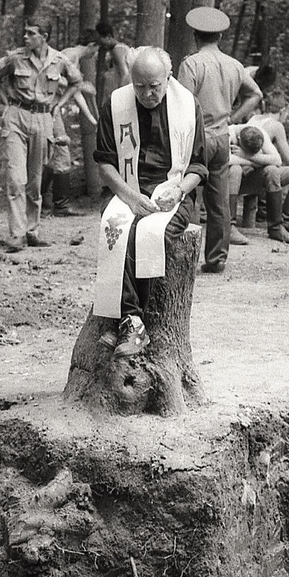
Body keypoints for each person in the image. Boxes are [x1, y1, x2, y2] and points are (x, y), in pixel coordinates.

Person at [92, 46, 207, 358]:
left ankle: (128, 320)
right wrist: (129, 196)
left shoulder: (187, 105)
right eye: (139, 86)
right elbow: (104, 162)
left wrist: (180, 189)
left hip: (172, 189)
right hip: (128, 189)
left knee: (150, 233)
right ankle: (130, 321)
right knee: (117, 229)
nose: (146, 94)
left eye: (154, 86)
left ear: (167, 78)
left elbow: (199, 165)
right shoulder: (115, 104)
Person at [178, 6, 262, 273]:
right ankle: (217, 259)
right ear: (221, 37)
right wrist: (235, 117)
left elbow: (182, 104)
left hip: (196, 137)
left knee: (186, 195)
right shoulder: (234, 65)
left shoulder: (191, 64)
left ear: (195, 35)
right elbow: (255, 94)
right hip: (222, 137)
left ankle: (184, 256)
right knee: (219, 201)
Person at [0, 16, 82, 252]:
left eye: (31, 33)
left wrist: (59, 104)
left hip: (43, 119)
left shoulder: (58, 60)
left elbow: (76, 81)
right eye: (26, 33)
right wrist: (5, 101)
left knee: (34, 180)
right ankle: (16, 235)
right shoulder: (16, 58)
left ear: (44, 37)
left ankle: (32, 231)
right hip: (17, 118)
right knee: (15, 178)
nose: (26, 37)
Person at [42, 30, 99, 217]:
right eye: (96, 50)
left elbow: (76, 93)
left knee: (53, 155)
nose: (96, 54)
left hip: (54, 108)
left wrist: (92, 118)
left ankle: (42, 200)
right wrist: (82, 86)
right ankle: (60, 204)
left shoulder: (74, 59)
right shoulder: (69, 55)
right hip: (49, 107)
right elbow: (54, 78)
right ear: (92, 46)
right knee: (61, 154)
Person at [236, 113, 289, 241]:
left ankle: (282, 220)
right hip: (250, 176)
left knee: (283, 170)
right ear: (284, 110)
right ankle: (283, 223)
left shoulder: (253, 118)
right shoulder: (276, 126)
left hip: (255, 172)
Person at [227, 123, 282, 245]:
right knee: (235, 168)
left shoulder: (259, 132)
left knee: (272, 170)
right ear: (240, 140)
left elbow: (277, 160)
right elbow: (225, 159)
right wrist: (254, 161)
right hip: (227, 183)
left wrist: (246, 156)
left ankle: (276, 227)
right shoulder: (229, 133)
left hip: (248, 179)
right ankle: (229, 227)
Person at [95, 20, 132, 101]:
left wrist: (119, 96)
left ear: (108, 37)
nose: (102, 45)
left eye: (102, 42)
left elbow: (125, 74)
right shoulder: (116, 49)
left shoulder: (117, 50)